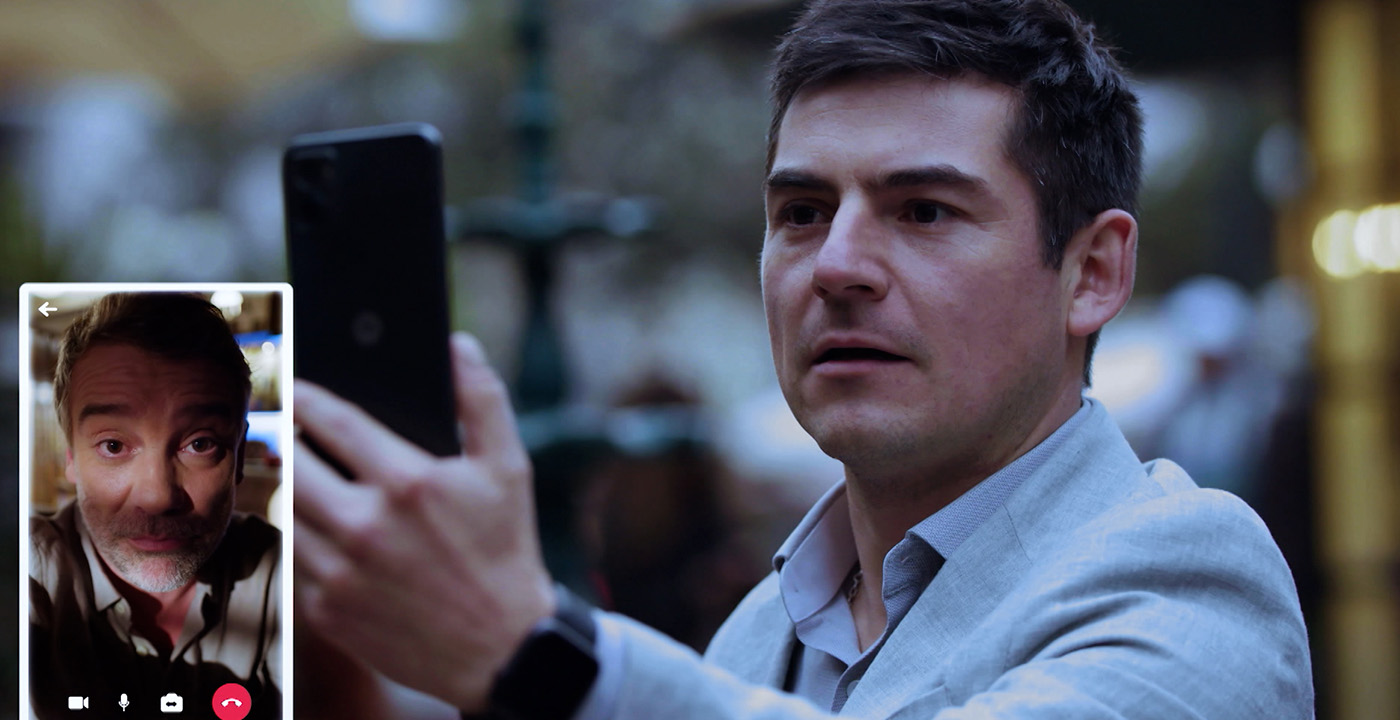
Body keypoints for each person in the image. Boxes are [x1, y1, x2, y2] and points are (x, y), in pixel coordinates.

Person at [292, 0, 1314, 717]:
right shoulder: (759, 631)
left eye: (923, 210)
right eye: (801, 212)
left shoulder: (1189, 577)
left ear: (1091, 273)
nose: (836, 266)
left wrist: (536, 652)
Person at [30, 292, 281, 718]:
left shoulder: (283, 573)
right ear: (71, 457)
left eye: (200, 443)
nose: (158, 496)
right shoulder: (33, 569)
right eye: (113, 445)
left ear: (239, 455)